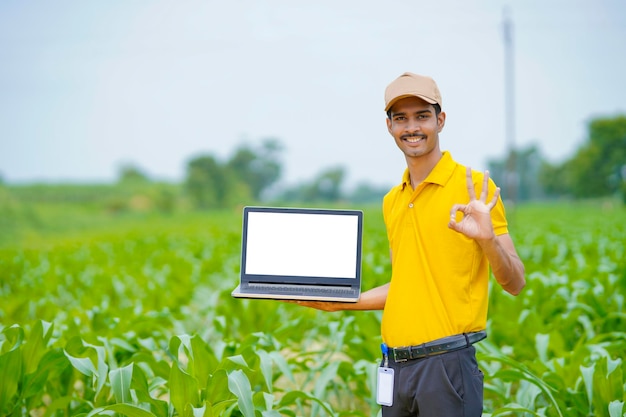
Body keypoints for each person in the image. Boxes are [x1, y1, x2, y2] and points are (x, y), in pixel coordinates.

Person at [293, 72, 526, 416]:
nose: (411, 127)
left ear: (440, 120)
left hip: (445, 367)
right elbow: (406, 285)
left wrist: (488, 240)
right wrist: (340, 302)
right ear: (389, 126)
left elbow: (515, 282)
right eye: (400, 118)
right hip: (395, 367)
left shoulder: (475, 188)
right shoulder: (393, 200)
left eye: (422, 116)